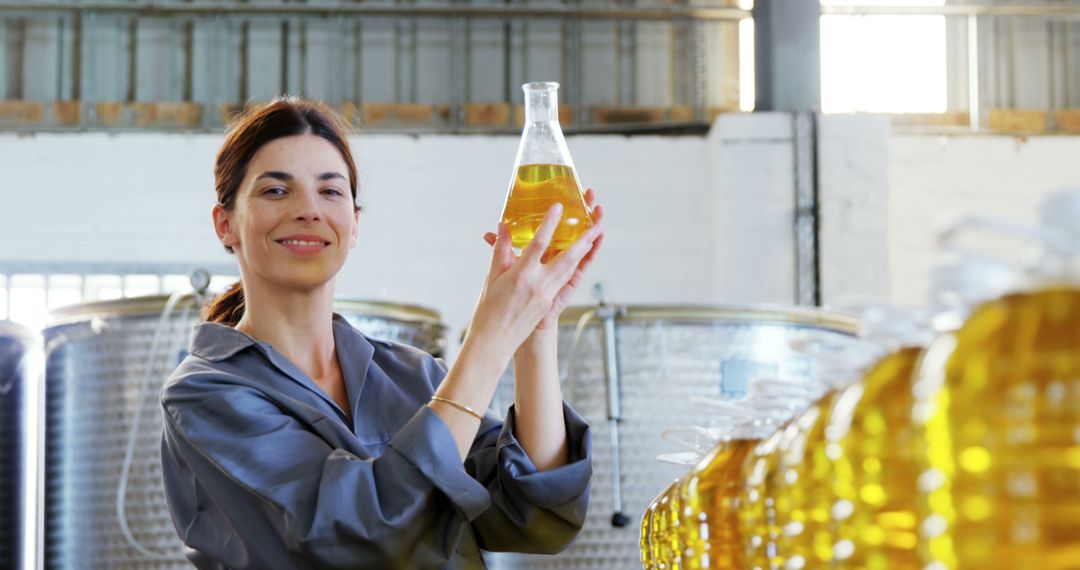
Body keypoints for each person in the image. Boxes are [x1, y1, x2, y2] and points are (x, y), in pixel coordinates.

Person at [158, 96, 606, 569]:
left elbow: (535, 515)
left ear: (354, 226)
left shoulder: (411, 375)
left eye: (330, 192)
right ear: (225, 224)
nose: (309, 210)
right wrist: (490, 338)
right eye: (275, 191)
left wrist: (535, 329)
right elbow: (362, 538)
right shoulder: (206, 394)